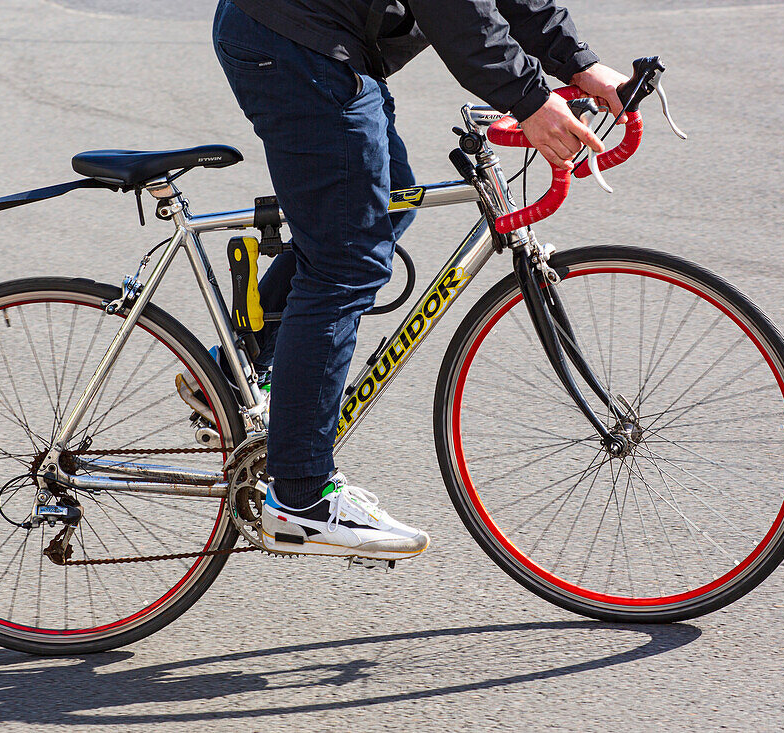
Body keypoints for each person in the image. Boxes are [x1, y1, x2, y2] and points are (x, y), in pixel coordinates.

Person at [201, 0, 628, 560]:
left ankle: (232, 368)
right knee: (345, 264)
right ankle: (301, 499)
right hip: (297, 38)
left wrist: (577, 64)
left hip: (311, 35)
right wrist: (529, 98)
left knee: (383, 203)